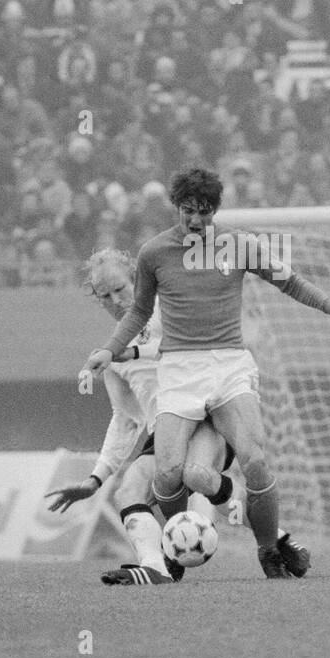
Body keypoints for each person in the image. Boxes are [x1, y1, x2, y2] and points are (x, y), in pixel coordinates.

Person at [82, 168, 330, 578]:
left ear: (216, 209)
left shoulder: (240, 245)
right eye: (188, 211)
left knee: (255, 459)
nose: (196, 220)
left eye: (205, 211)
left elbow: (291, 282)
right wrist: (110, 350)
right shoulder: (154, 253)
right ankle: (174, 558)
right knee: (169, 472)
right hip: (180, 369)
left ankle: (269, 549)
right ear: (177, 208)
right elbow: (140, 311)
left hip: (229, 363)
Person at [46, 248, 309, 585]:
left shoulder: (170, 311)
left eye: (121, 289)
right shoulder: (110, 357)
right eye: (105, 295)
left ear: (137, 281)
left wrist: (130, 351)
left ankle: (275, 540)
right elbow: (126, 420)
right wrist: (95, 478)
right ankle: (155, 568)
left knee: (197, 475)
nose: (115, 300)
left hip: (207, 418)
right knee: (128, 491)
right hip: (165, 432)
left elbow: (190, 345)